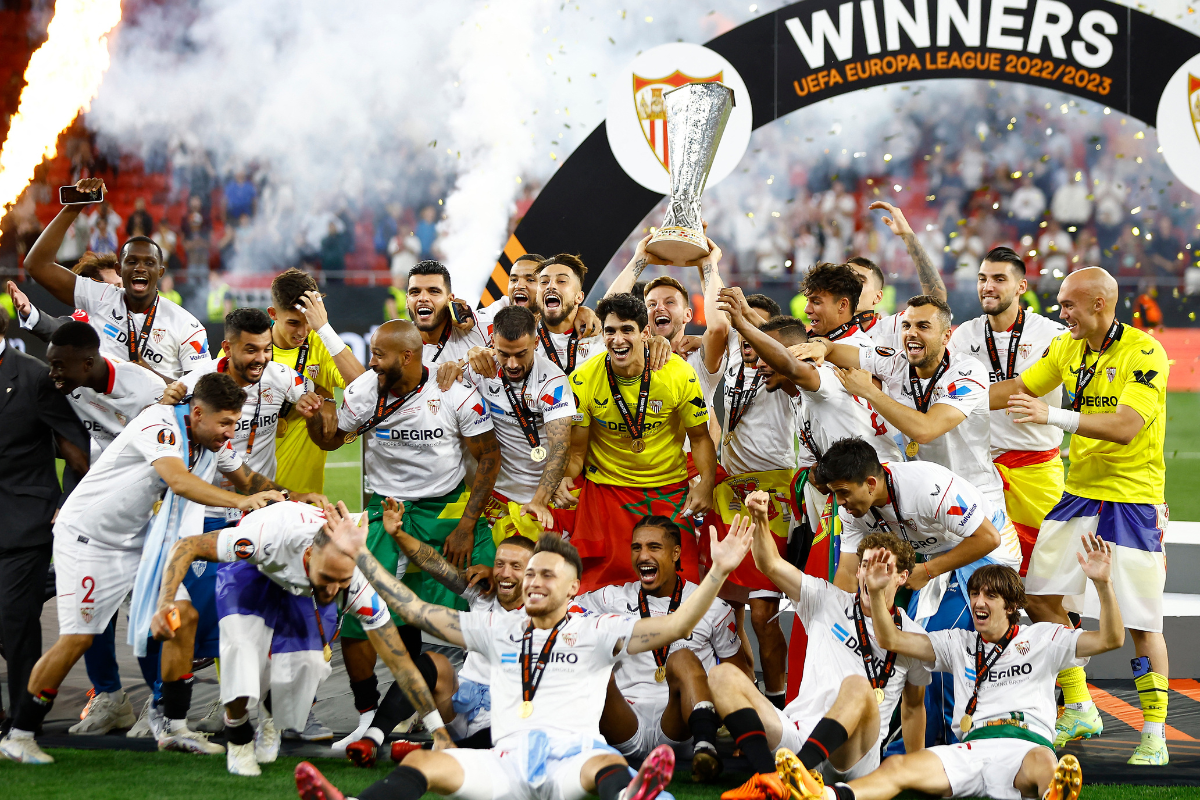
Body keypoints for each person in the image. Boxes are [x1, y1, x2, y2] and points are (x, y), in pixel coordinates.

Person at [292, 506, 755, 800]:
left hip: (573, 756)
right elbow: (415, 609)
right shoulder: (499, 627)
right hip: (505, 760)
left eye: (547, 575)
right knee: (423, 762)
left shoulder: (597, 630)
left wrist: (717, 571)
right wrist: (362, 557)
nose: (533, 581)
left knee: (606, 765)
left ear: (574, 588)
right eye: (530, 574)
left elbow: (676, 625)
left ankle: (636, 795)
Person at [0, 373, 286, 764]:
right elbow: (178, 481)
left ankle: (173, 727)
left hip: (140, 543)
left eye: (235, 423)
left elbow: (248, 479)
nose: (230, 432)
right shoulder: (160, 423)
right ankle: (20, 734)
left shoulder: (209, 440)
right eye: (225, 423)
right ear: (197, 413)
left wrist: (291, 499)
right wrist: (243, 503)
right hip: (88, 540)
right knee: (78, 638)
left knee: (182, 616)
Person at [988, 267, 1171, 764]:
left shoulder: (1144, 351)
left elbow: (1127, 427)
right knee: (1040, 596)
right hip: (1079, 494)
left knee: (1141, 622)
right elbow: (1019, 387)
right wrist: (945, 397)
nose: (1060, 313)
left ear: (1098, 304)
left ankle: (1153, 734)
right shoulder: (1068, 348)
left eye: (1069, 305)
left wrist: (1056, 416)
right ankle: (1082, 703)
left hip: (1131, 499)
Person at [148, 500, 449, 776]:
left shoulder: (354, 585)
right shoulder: (263, 538)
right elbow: (185, 547)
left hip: (303, 583)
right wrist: (164, 603)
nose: (333, 591)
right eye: (329, 579)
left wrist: (438, 731)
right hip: (255, 570)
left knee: (308, 665)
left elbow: (402, 665)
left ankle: (269, 717)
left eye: (342, 582)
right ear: (308, 556)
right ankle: (238, 735)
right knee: (241, 649)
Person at [308, 319, 500, 749]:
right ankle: (366, 716)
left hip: (445, 511)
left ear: (408, 357)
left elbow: (488, 457)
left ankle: (480, 701)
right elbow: (331, 440)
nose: (371, 362)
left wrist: (468, 525)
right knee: (361, 614)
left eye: (379, 354)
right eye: (372, 352)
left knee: (486, 602)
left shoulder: (454, 391)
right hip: (384, 509)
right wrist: (314, 419)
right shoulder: (364, 391)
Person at [155, 308, 328, 740]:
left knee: (255, 615)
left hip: (254, 510)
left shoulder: (277, 376)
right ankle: (161, 708)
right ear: (226, 347)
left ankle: (274, 712)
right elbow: (168, 433)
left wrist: (312, 405)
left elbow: (318, 401)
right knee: (188, 617)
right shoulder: (197, 383)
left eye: (267, 349)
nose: (261, 359)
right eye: (250, 350)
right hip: (203, 510)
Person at [834, 548, 1123, 800]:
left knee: (1048, 767)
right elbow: (892, 640)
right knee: (898, 767)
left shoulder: (1043, 639)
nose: (978, 602)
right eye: (974, 594)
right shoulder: (957, 643)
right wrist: (873, 591)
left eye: (990, 595)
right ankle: (825, 795)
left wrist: (1103, 584)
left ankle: (1056, 792)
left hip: (1026, 746)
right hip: (970, 748)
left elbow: (1111, 639)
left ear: (1011, 606)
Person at [716, 492, 929, 800]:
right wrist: (761, 520)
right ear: (857, 571)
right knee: (722, 676)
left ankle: (791, 776)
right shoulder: (825, 599)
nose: (872, 574)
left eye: (883, 567)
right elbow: (770, 564)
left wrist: (915, 768)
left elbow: (913, 707)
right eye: (866, 565)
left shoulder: (913, 636)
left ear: (902, 577)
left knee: (857, 686)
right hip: (797, 733)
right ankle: (769, 780)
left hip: (853, 755)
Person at [815, 438, 1019, 746]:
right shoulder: (851, 508)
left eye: (843, 493)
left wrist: (928, 571)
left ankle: (956, 747)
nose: (840, 502)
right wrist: (840, 621)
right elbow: (846, 571)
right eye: (835, 494)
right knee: (908, 647)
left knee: (935, 645)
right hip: (937, 562)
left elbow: (987, 537)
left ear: (870, 483)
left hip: (989, 555)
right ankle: (917, 746)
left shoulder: (927, 487)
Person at [801, 296, 1012, 544]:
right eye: (906, 325)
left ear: (946, 336)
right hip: (926, 501)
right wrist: (821, 346)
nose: (911, 333)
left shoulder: (967, 372)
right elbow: (836, 350)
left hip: (976, 498)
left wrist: (869, 392)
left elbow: (926, 430)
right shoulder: (894, 361)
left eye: (922, 326)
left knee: (985, 583)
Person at [343, 502, 536, 767]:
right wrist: (398, 534)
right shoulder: (482, 594)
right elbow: (434, 564)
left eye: (516, 566)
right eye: (500, 564)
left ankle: (439, 752)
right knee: (434, 662)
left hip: (504, 721)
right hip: (458, 708)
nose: (504, 573)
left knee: (523, 727)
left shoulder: (546, 612)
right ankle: (372, 739)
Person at [44, 322, 167, 735]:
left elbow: (174, 448)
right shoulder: (67, 384)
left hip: (147, 510)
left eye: (60, 366)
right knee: (90, 608)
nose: (53, 374)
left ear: (89, 363)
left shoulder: (146, 389)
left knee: (146, 610)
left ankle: (163, 704)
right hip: (99, 513)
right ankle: (110, 697)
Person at [563, 293, 715, 592]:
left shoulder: (678, 373)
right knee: (600, 591)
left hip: (668, 491)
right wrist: (563, 478)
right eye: (610, 331)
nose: (618, 339)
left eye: (627, 330)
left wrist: (707, 483)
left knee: (679, 591)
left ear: (645, 333)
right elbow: (577, 450)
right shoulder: (582, 379)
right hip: (607, 493)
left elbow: (700, 438)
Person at [577, 516, 746, 782]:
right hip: (623, 722)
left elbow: (738, 675)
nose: (643, 555)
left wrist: (744, 735)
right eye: (636, 547)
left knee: (682, 658)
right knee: (595, 660)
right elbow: (557, 610)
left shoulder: (711, 605)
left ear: (675, 553)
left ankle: (706, 749)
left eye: (654, 547)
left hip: (680, 725)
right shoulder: (609, 599)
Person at [948, 247, 1067, 575]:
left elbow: (1024, 388)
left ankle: (1058, 627)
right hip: (980, 472)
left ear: (1021, 287)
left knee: (1046, 580)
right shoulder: (964, 336)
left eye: (999, 279)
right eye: (983, 278)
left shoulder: (1052, 335)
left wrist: (959, 400)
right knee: (985, 576)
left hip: (1036, 471)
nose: (988, 286)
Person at [0, 310, 90, 735]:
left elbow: (76, 447)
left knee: (16, 619)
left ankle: (22, 721)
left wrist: (67, 503)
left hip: (24, 517)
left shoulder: (34, 376)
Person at [24, 178, 211, 381]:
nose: (140, 267)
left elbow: (201, 392)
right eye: (131, 262)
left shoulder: (186, 325)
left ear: (161, 272)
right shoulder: (101, 296)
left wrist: (152, 377)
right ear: (119, 270)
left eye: (149, 263)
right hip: (93, 411)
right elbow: (37, 265)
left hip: (152, 411)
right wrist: (74, 207)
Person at [438, 305, 577, 538]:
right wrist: (451, 368)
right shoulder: (478, 369)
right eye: (504, 353)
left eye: (521, 354)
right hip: (493, 497)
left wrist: (540, 501)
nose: (512, 364)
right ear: (492, 342)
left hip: (540, 496)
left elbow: (560, 448)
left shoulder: (553, 382)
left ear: (535, 344)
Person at [267, 268, 365, 496]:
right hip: (251, 494)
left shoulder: (322, 345)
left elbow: (364, 388)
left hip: (305, 498)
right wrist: (321, 393)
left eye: (308, 322)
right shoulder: (251, 347)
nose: (303, 331)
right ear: (273, 313)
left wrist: (323, 328)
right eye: (293, 323)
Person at [605, 236, 730, 404]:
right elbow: (608, 315)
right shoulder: (630, 353)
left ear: (688, 315)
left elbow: (720, 327)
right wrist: (640, 259)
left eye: (670, 302)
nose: (659, 308)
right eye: (651, 304)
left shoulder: (699, 357)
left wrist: (709, 265)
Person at [847, 202, 947, 349]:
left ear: (878, 297)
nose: (853, 285)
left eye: (861, 280)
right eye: (848, 279)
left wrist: (909, 238)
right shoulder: (823, 332)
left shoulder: (890, 329)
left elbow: (936, 299)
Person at [407, 260, 489, 364]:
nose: (423, 298)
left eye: (434, 291)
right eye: (415, 292)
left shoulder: (477, 333)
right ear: (407, 301)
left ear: (450, 300)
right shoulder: (394, 346)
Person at [534, 254, 603, 374]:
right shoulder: (521, 339)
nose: (551, 286)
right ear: (536, 296)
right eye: (544, 282)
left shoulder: (600, 340)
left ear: (579, 297)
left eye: (561, 281)